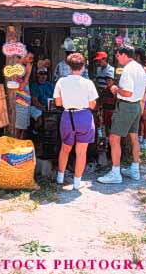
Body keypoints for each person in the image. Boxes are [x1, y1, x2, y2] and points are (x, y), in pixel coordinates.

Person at [97, 44, 146, 184]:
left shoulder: (128, 70)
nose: (117, 58)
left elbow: (127, 92)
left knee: (114, 139)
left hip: (126, 106)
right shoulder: (139, 68)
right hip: (136, 106)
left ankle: (115, 173)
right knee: (134, 138)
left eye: (118, 55)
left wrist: (115, 89)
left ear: (125, 55)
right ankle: (135, 169)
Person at [53, 53, 98, 189]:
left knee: (65, 148)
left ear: (68, 66)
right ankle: (77, 182)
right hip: (84, 116)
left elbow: (58, 103)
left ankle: (60, 177)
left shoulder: (61, 81)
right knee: (81, 151)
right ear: (83, 67)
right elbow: (92, 105)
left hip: (67, 116)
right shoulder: (88, 83)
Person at [15, 46, 34, 139]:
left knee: (23, 128)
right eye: (29, 58)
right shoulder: (17, 68)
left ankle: (19, 149)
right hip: (20, 102)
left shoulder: (22, 67)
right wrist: (28, 73)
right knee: (19, 128)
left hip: (24, 102)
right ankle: (15, 149)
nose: (31, 61)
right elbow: (20, 88)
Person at [135, 47, 146, 150]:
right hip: (137, 94)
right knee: (139, 118)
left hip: (144, 94)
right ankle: (140, 137)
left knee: (145, 118)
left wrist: (144, 98)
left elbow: (145, 85)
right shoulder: (136, 66)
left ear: (138, 56)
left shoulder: (144, 68)